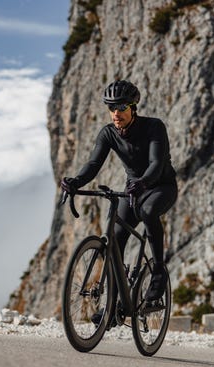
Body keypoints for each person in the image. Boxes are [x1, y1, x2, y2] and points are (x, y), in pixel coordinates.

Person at [61, 79, 178, 306]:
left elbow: (156, 162)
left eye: (122, 107)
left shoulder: (154, 127)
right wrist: (75, 181)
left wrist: (143, 182)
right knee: (114, 240)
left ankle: (158, 271)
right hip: (133, 189)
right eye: (111, 108)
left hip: (161, 186)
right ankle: (113, 307)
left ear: (133, 107)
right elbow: (93, 164)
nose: (116, 113)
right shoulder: (108, 133)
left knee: (148, 211)